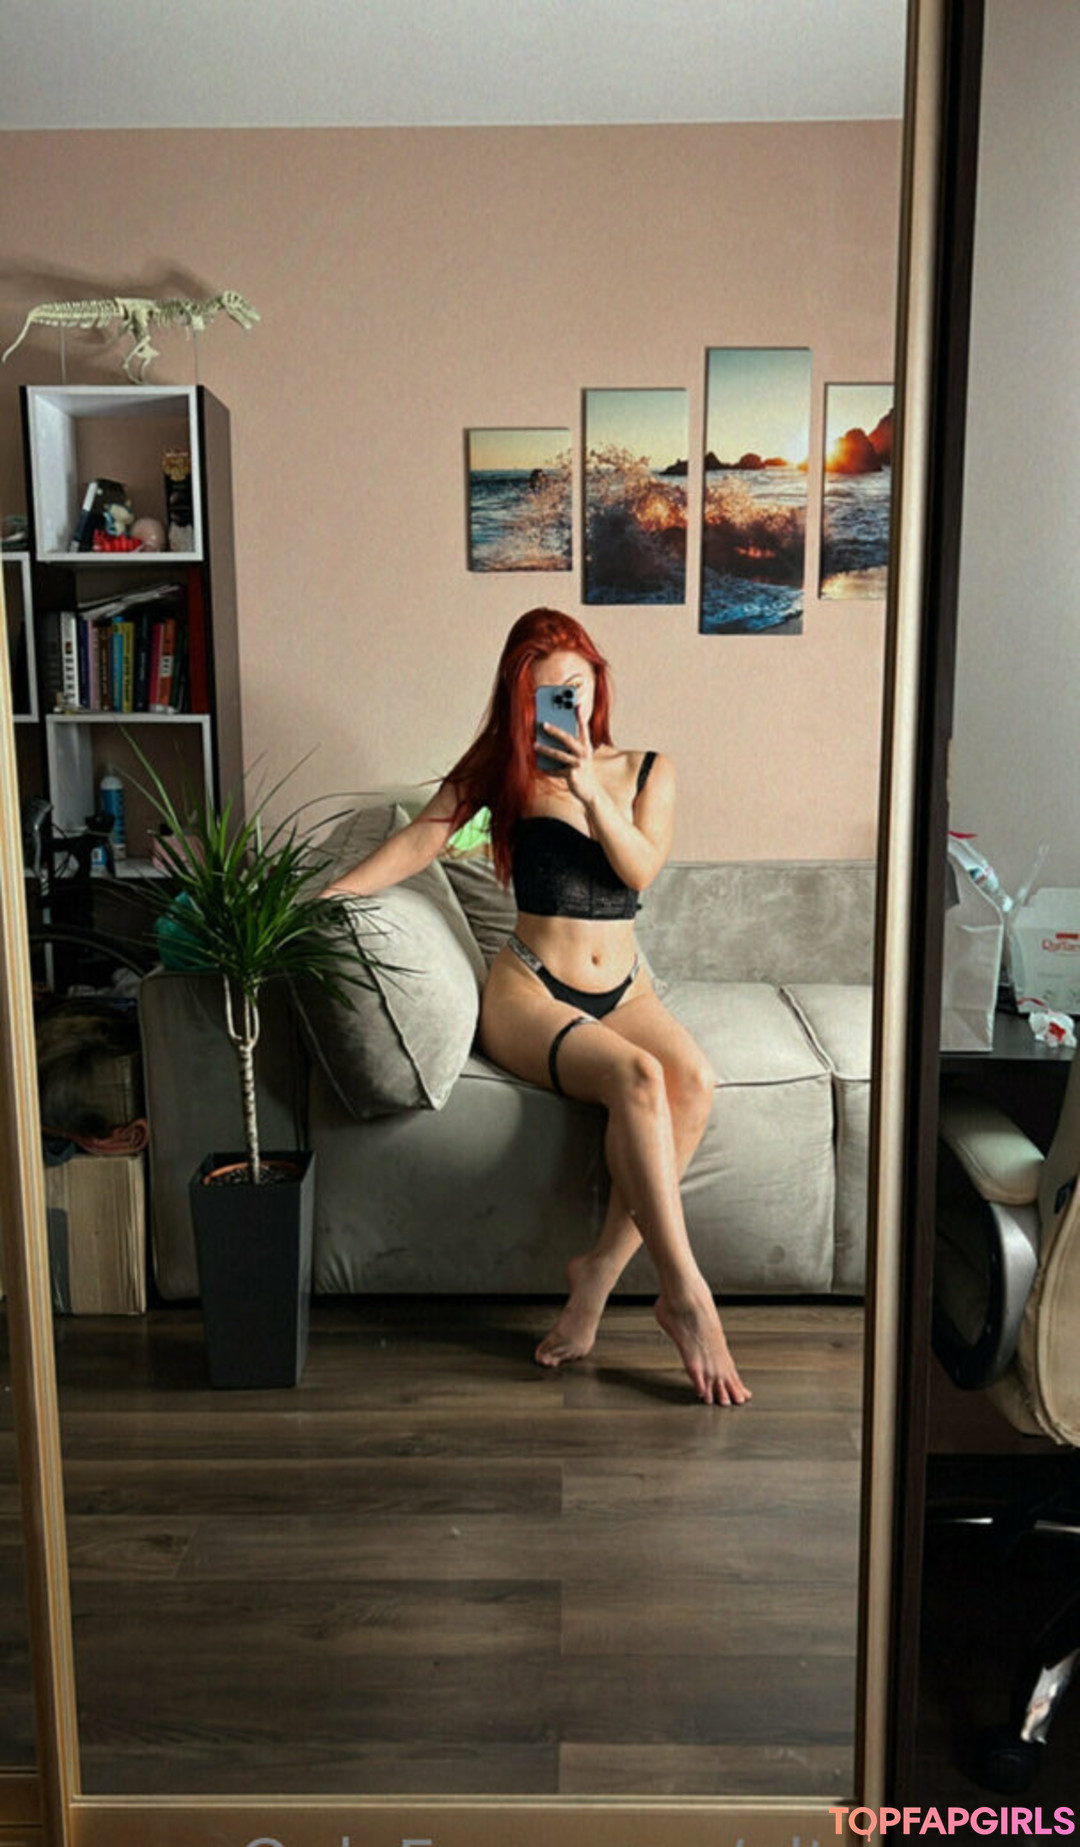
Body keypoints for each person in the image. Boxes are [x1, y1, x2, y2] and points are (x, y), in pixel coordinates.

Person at [322, 608, 750, 1407]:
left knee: (693, 1081)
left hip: (626, 988)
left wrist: (588, 788)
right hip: (530, 988)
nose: (567, 706)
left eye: (576, 687)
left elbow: (639, 869)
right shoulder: (504, 774)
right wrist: (329, 896)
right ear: (522, 703)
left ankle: (597, 1276)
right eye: (547, 695)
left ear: (597, 683)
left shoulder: (648, 770)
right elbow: (421, 840)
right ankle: (686, 1293)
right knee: (637, 1077)